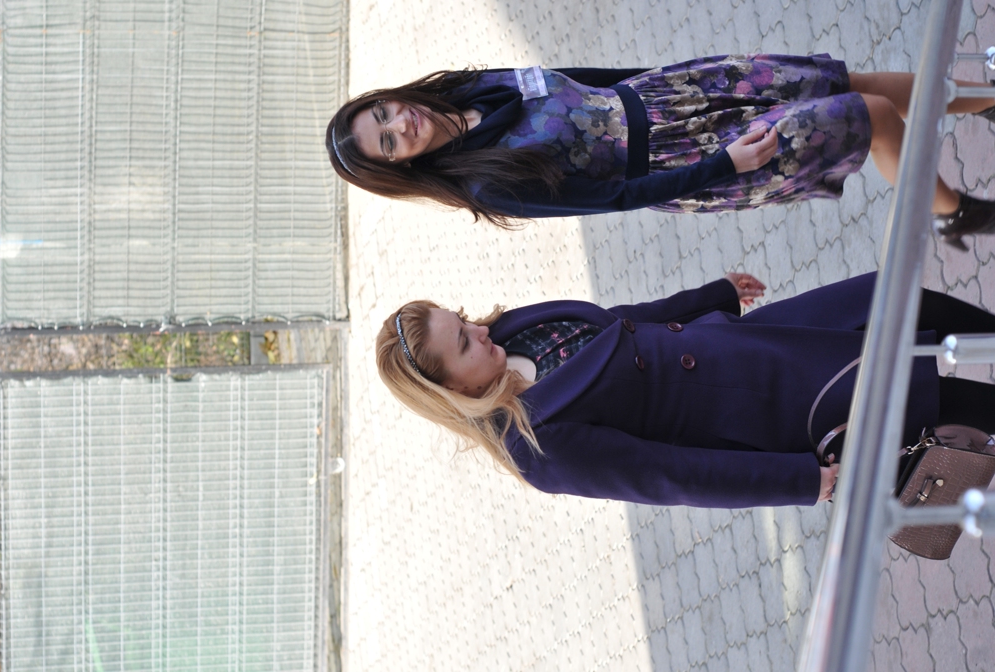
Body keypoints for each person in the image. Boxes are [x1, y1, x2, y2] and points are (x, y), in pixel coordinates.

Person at [376, 273, 995, 508]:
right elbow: (668, 475)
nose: (481, 331)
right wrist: (799, 481)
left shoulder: (514, 333)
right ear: (451, 391)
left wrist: (711, 295)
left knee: (901, 299)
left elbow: (622, 322)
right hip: (765, 408)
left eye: (463, 320)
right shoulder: (535, 446)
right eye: (464, 344)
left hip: (754, 343)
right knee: (937, 401)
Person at [327, 55, 995, 248]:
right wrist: (723, 166)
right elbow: (614, 198)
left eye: (383, 112)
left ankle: (987, 99)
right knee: (868, 116)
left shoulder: (464, 88)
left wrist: (672, 77)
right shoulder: (488, 184)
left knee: (850, 82)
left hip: (680, 92)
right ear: (399, 167)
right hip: (699, 159)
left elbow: (579, 80)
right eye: (387, 141)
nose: (400, 124)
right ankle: (952, 212)